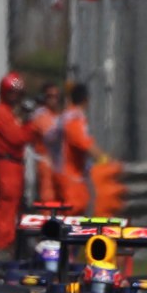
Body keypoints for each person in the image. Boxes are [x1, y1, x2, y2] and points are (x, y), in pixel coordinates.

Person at [0, 71, 32, 256]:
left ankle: (8, 244)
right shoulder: (0, 112)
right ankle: (0, 245)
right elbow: (17, 137)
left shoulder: (12, 113)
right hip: (6, 164)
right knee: (5, 207)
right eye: (12, 93)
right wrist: (29, 124)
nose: (16, 98)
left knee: (13, 207)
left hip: (15, 165)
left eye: (18, 94)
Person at [58, 83, 108, 216]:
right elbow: (83, 141)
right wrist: (103, 158)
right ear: (86, 100)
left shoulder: (69, 115)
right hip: (71, 175)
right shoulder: (74, 118)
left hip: (72, 173)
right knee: (74, 212)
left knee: (79, 208)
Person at [29, 82, 63, 203]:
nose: (54, 99)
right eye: (50, 96)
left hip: (59, 161)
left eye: (56, 96)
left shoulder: (60, 115)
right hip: (45, 161)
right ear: (44, 97)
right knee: (48, 197)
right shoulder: (41, 115)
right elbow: (50, 136)